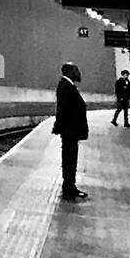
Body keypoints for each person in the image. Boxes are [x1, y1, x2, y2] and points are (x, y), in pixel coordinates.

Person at [52, 61, 88, 200]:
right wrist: (58, 126)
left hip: (70, 130)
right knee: (69, 159)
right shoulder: (66, 86)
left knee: (70, 159)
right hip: (69, 131)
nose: (78, 73)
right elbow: (62, 109)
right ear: (69, 71)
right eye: (76, 70)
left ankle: (70, 186)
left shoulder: (67, 86)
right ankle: (69, 188)